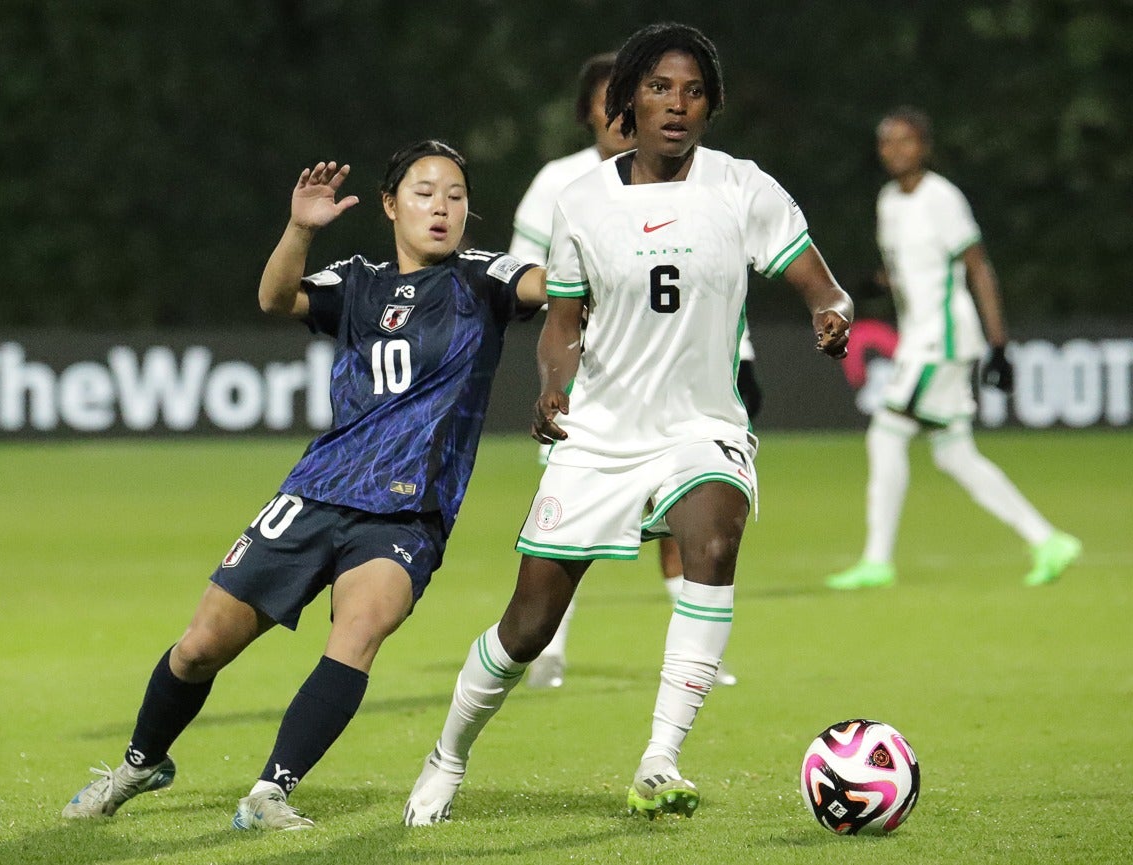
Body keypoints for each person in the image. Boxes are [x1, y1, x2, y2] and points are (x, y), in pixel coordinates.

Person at [403, 22, 853, 826]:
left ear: (710, 105)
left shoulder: (743, 187)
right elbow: (562, 321)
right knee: (527, 625)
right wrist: (551, 386)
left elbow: (822, 284)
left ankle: (659, 758)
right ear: (626, 103)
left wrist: (830, 310)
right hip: (602, 433)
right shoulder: (582, 203)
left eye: (692, 91)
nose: (676, 106)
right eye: (658, 89)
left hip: (701, 426)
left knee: (713, 538)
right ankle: (447, 756)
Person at [60, 141, 547, 831]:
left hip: (408, 511)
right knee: (200, 646)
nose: (441, 207)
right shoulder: (358, 280)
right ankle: (140, 763)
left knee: (357, 632)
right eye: (423, 191)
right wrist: (301, 228)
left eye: (456, 195)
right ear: (389, 204)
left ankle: (270, 791)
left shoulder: (482, 279)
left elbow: (542, 283)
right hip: (317, 490)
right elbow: (274, 297)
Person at [510, 51, 758, 690]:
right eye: (604, 102)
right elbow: (518, 274)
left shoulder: (696, 179)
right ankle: (549, 654)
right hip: (594, 391)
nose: (617, 113)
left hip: (678, 392)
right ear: (592, 110)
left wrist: (746, 353)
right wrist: (577, 292)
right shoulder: (562, 184)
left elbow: (711, 280)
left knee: (689, 516)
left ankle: (696, 652)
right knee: (570, 531)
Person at [824, 107, 1081, 592]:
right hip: (921, 336)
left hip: (940, 338)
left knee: (886, 433)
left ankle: (877, 561)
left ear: (924, 147)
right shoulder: (888, 202)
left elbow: (977, 266)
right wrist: (871, 286)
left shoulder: (942, 198)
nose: (895, 150)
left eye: (905, 141)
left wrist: (999, 345)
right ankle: (1048, 540)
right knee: (954, 454)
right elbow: (909, 271)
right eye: (886, 142)